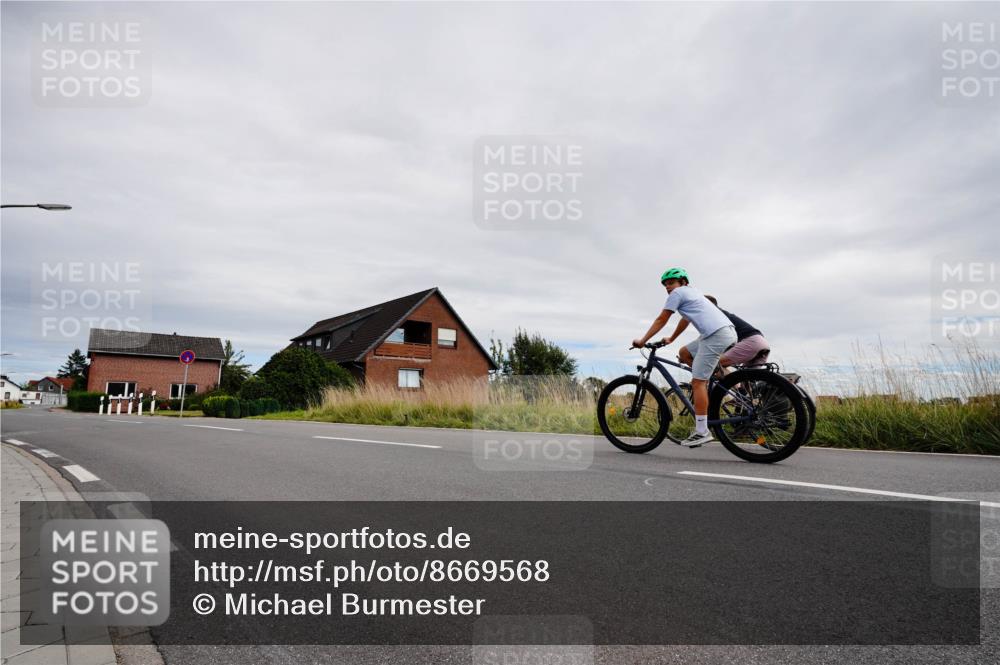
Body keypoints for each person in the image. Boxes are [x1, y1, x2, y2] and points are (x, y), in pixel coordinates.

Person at [632, 268, 736, 448]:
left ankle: (702, 431)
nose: (668, 287)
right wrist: (671, 338)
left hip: (715, 335)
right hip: (722, 332)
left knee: (697, 382)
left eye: (671, 282)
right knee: (684, 353)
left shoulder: (678, 293)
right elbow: (686, 319)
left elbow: (661, 319)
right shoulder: (693, 293)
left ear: (683, 282)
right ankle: (709, 383)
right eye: (665, 285)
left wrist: (643, 340)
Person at [678, 295, 770, 370]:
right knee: (746, 380)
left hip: (750, 342)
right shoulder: (723, 314)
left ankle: (730, 386)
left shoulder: (715, 315)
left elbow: (705, 340)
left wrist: (689, 355)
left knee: (712, 366)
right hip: (762, 343)